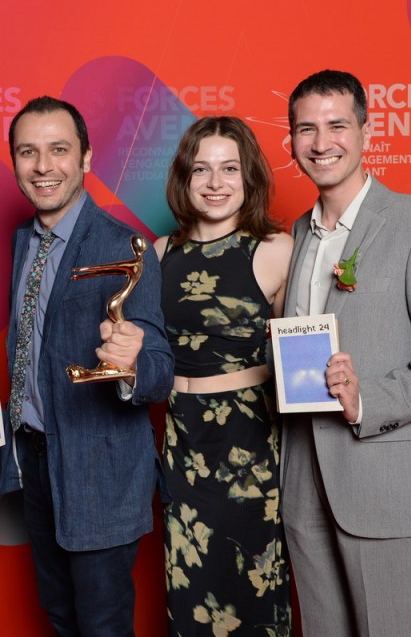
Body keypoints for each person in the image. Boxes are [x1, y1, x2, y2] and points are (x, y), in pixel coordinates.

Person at [281, 69, 411, 637]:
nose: (322, 143)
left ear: (367, 133)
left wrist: (366, 398)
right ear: (291, 141)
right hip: (304, 477)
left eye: (337, 125)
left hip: (383, 477)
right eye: (306, 129)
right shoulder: (295, 234)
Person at [0, 96, 174, 637]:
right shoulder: (24, 241)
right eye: (28, 152)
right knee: (60, 617)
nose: (43, 166)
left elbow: (159, 368)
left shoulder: (124, 244)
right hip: (35, 461)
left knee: (101, 625)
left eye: (59, 150)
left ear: (86, 158)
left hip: (100, 470)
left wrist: (132, 363)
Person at [153, 116, 293, 636]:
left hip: (248, 446)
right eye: (202, 169)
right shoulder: (158, 253)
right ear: (184, 178)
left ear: (248, 176)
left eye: (229, 168)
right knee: (189, 584)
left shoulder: (275, 250)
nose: (215, 183)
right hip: (181, 441)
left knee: (251, 587)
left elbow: (297, 354)